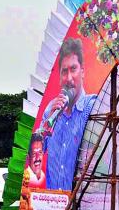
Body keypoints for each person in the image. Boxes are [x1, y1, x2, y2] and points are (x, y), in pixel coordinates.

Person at [41, 38, 98, 191]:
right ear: (59, 76)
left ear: (83, 72)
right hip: (53, 206)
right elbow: (35, 154)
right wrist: (50, 120)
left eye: (73, 69)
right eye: (64, 71)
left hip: (81, 206)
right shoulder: (50, 110)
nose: (69, 78)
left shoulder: (93, 108)